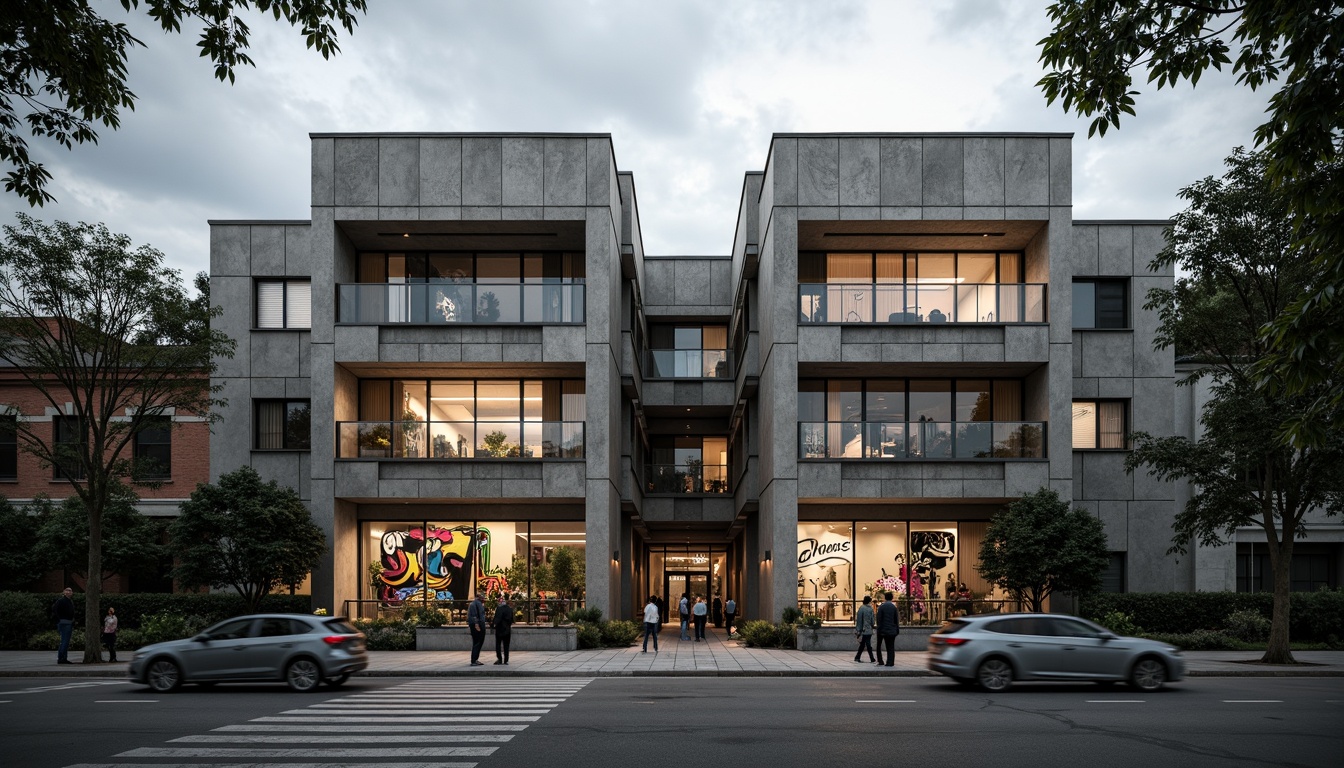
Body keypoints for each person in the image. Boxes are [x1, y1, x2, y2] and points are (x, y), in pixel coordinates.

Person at [875, 590, 901, 667]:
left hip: (882, 629)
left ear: (885, 598)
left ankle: (880, 661)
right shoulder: (894, 607)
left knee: (879, 646)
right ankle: (890, 662)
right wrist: (897, 629)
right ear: (892, 598)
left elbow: (879, 619)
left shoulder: (881, 607)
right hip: (892, 630)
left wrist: (878, 629)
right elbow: (896, 619)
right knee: (890, 647)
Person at [53, 587, 75, 665]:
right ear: (64, 592)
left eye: (70, 591)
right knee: (65, 641)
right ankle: (61, 658)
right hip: (64, 623)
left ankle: (63, 658)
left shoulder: (69, 601)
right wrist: (59, 620)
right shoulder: (61, 601)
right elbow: (55, 610)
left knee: (65, 641)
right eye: (67, 590)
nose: (69, 592)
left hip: (68, 622)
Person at [492, 595, 515, 665]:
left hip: (500, 629)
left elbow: (497, 619)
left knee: (498, 644)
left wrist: (493, 624)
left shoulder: (499, 609)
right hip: (507, 629)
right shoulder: (509, 609)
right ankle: (506, 659)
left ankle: (499, 659)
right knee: (506, 645)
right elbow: (512, 620)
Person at [853, 595, 876, 663]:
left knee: (863, 644)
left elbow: (859, 620)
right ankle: (871, 658)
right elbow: (872, 620)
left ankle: (858, 657)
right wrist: (872, 625)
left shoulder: (861, 608)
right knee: (867, 643)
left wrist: (858, 630)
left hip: (863, 629)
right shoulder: (871, 609)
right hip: (869, 629)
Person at [466, 593, 487, 666]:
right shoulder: (476, 604)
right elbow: (475, 616)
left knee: (477, 642)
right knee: (478, 642)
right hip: (477, 625)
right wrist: (477, 624)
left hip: (476, 625)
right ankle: (474, 660)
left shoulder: (474, 604)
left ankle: (475, 659)